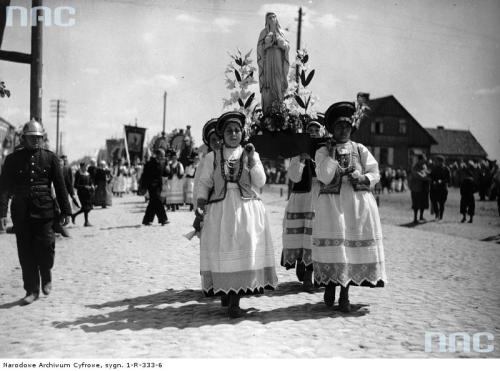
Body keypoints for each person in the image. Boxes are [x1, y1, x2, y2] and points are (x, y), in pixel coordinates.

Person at [196, 111, 278, 318]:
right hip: (221, 209)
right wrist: (199, 206)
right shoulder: (212, 157)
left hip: (246, 208)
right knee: (224, 248)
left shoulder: (250, 154)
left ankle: (234, 300)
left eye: (237, 130)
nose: (233, 134)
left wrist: (252, 161)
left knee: (242, 247)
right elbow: (204, 183)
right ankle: (228, 294)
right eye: (229, 131)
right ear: (222, 134)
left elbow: (260, 182)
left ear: (243, 133)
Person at [312, 102, 386, 312]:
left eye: (346, 126)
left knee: (350, 248)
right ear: (332, 129)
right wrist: (332, 158)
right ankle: (330, 284)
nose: (343, 130)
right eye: (338, 126)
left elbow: (375, 173)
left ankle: (345, 294)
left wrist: (362, 177)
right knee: (336, 247)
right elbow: (324, 176)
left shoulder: (360, 149)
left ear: (351, 128)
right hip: (332, 204)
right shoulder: (323, 151)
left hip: (356, 203)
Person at [0, 120, 71, 305]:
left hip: (45, 210)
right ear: (24, 138)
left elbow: (60, 186)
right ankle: (31, 290)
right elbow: (4, 189)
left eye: (39, 137)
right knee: (25, 251)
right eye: (32, 138)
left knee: (46, 247)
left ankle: (46, 272)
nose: (36, 141)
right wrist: (2, 212)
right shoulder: (12, 160)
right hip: (21, 212)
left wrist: (66, 211)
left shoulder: (50, 158)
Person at [281, 119, 324, 291]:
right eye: (310, 129)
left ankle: (309, 274)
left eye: (316, 129)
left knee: (314, 234)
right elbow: (293, 177)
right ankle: (301, 261)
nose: (313, 131)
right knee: (300, 234)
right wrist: (300, 159)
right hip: (301, 197)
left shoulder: (324, 151)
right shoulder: (298, 150)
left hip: (318, 196)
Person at [257, 12, 290, 114]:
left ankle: (279, 108)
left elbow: (287, 46)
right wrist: (268, 44)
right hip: (268, 60)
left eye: (274, 17)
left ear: (276, 19)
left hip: (278, 59)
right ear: (266, 20)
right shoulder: (263, 32)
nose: (272, 19)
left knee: (278, 81)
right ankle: (268, 110)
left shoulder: (281, 32)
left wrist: (282, 44)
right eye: (269, 17)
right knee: (269, 82)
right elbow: (259, 49)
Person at [192, 119, 221, 211]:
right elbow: (198, 185)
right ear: (208, 143)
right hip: (210, 203)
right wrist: (198, 206)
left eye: (219, 139)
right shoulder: (205, 161)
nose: (217, 142)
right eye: (213, 140)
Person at [141, 149, 169, 226]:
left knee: (152, 203)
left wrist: (167, 167)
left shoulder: (162, 163)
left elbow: (165, 173)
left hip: (159, 185)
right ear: (157, 155)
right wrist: (143, 186)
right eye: (162, 155)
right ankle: (163, 219)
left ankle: (147, 220)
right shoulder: (149, 163)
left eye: (163, 155)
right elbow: (144, 176)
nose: (163, 157)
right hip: (151, 186)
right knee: (158, 201)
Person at [72, 162, 95, 227]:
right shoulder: (78, 174)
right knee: (86, 207)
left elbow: (90, 182)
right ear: (81, 167)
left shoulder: (88, 174)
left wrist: (92, 185)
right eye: (85, 167)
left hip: (88, 193)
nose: (86, 168)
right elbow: (75, 185)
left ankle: (74, 215)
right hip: (82, 194)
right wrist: (84, 186)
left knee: (89, 208)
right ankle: (86, 222)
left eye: (87, 167)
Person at [409, 154, 430, 223]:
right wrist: (426, 175)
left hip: (423, 188)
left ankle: (421, 216)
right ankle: (415, 218)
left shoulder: (424, 166)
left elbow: (426, 173)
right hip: (416, 188)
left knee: (423, 203)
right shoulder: (415, 167)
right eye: (424, 159)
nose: (425, 160)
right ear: (420, 159)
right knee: (416, 204)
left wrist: (425, 174)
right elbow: (419, 176)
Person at [429, 155, 451, 221]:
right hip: (434, 188)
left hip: (442, 188)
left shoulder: (446, 169)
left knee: (441, 203)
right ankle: (436, 214)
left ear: (442, 162)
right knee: (434, 201)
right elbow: (431, 176)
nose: (436, 162)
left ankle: (441, 216)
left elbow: (449, 180)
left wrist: (441, 181)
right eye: (436, 161)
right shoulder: (434, 168)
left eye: (437, 161)